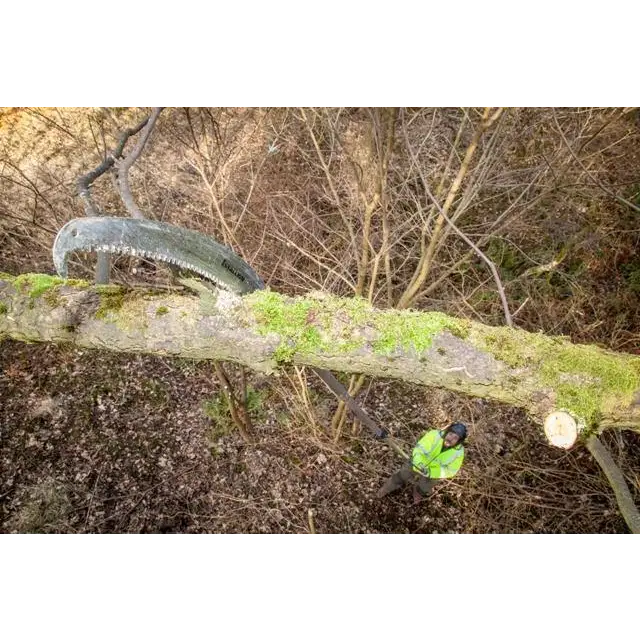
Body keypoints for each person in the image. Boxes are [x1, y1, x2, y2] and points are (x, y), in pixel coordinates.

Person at [377, 422, 468, 503]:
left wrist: (431, 472)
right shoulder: (434, 435)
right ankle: (385, 489)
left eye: (455, 437)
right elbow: (419, 450)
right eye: (451, 434)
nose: (451, 438)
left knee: (424, 488)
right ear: (447, 432)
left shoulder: (458, 453)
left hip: (432, 474)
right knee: (400, 476)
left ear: (459, 441)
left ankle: (418, 493)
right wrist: (419, 464)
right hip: (416, 464)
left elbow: (451, 470)